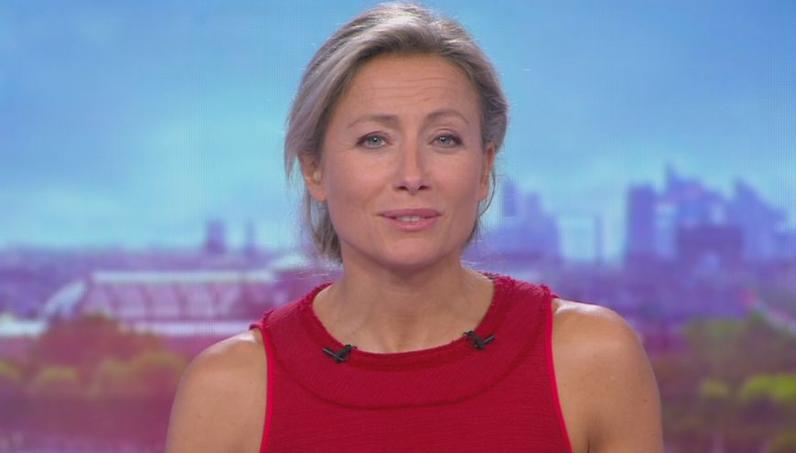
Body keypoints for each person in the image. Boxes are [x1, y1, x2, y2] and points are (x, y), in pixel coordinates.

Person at [166, 3, 663, 452]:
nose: (412, 175)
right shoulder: (229, 391)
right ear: (314, 170)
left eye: (444, 139)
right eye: (374, 140)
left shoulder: (593, 360)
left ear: (485, 167)